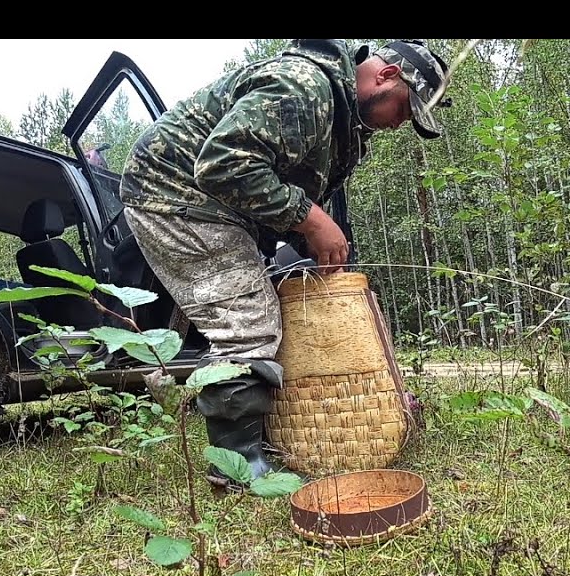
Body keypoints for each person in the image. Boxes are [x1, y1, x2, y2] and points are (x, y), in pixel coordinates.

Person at [119, 39, 451, 490]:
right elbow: (221, 166)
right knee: (248, 320)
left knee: (267, 311)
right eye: (404, 109)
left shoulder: (343, 121)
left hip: (221, 209)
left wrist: (306, 230)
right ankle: (239, 468)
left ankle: (257, 438)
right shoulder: (303, 88)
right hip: (175, 195)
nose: (400, 123)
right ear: (387, 76)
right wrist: (310, 220)